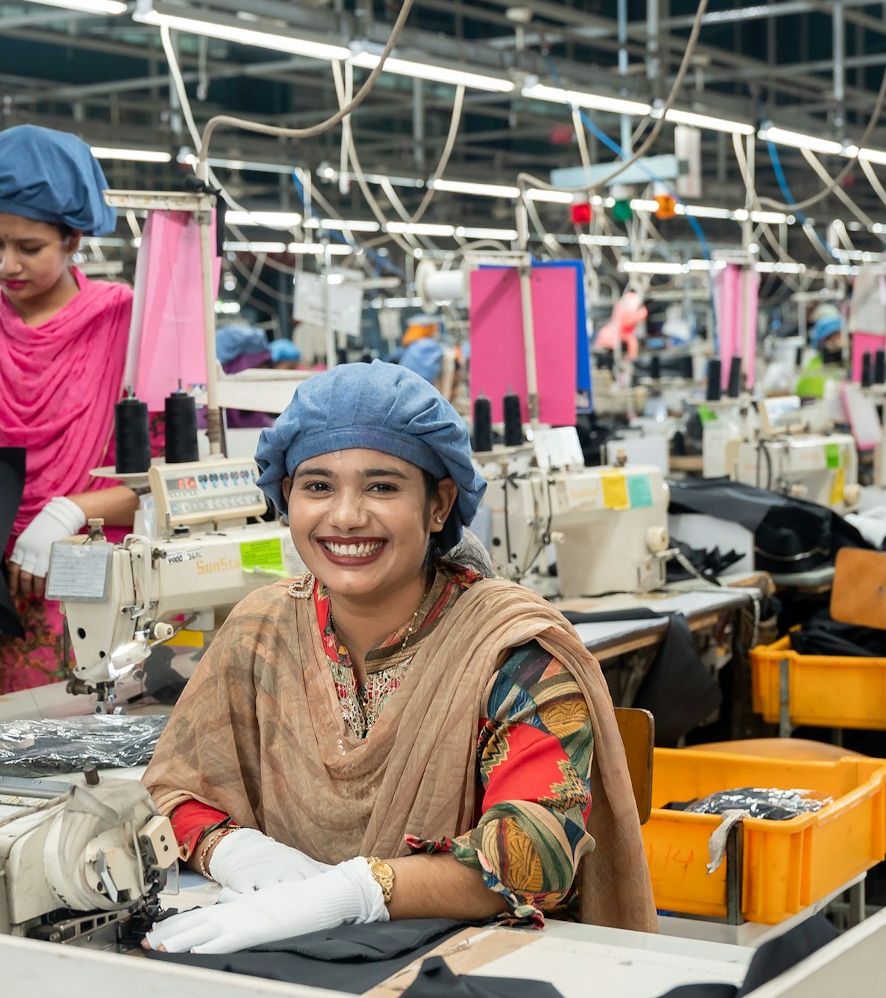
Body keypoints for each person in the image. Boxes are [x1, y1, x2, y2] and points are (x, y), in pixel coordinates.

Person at [141, 362, 657, 955]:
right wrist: (233, 851)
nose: (345, 516)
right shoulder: (259, 632)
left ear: (438, 505)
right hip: (291, 962)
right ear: (287, 499)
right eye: (317, 486)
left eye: (381, 486)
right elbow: (173, 788)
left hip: (472, 975)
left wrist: (356, 891)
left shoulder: (514, 654)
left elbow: (531, 853)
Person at [0, 125, 143, 700]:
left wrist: (70, 511)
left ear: (72, 240)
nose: (7, 264)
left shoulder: (124, 329)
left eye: (30, 247)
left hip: (96, 594)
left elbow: (164, 478)